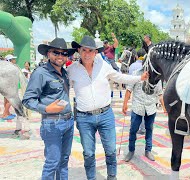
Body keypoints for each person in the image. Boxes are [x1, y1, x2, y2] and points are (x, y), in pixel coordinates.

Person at [68, 35, 149, 180]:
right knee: (88, 153)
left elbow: (120, 77)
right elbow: (61, 86)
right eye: (84, 50)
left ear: (95, 52)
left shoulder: (103, 66)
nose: (87, 54)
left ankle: (112, 177)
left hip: (105, 115)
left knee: (111, 150)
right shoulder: (72, 70)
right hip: (84, 118)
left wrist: (139, 78)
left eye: (90, 51)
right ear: (79, 51)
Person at [22, 38, 76, 180]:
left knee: (64, 161)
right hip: (52, 124)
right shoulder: (40, 73)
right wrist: (46, 108)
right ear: (48, 54)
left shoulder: (65, 73)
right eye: (56, 52)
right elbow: (27, 100)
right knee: (52, 162)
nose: (60, 56)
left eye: (64, 53)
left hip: (68, 122)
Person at [122, 64, 166, 162]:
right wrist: (125, 104)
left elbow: (160, 93)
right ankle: (131, 150)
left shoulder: (156, 77)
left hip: (150, 107)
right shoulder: (136, 74)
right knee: (133, 130)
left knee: (149, 129)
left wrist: (164, 107)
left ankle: (148, 150)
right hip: (137, 107)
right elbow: (129, 89)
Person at [1, 54, 18, 120]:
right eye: (13, 59)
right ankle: (5, 114)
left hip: (5, 85)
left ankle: (7, 112)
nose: (14, 60)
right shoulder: (10, 67)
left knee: (6, 99)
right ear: (10, 60)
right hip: (9, 85)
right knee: (10, 100)